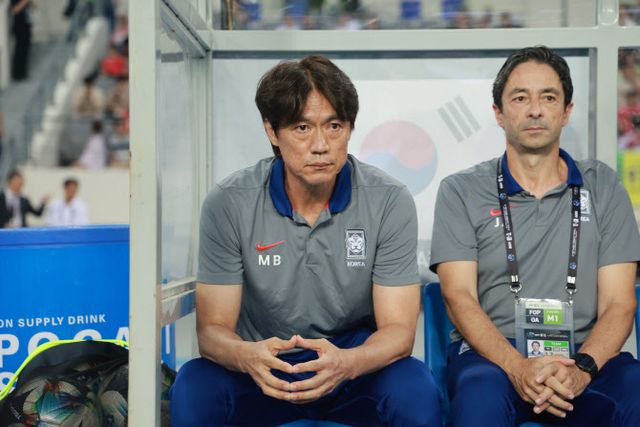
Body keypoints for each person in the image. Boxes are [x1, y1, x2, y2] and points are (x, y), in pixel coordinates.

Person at [170, 54, 441, 427]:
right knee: (194, 386)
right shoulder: (229, 202)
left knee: (416, 389)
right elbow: (212, 331)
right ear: (272, 132)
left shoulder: (388, 200)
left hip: (351, 365)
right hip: (263, 365)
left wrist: (348, 363)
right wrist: (247, 356)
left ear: (350, 129)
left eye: (334, 126)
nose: (321, 145)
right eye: (302, 128)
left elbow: (398, 332)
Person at [430, 46, 640, 427]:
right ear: (498, 113)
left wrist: (582, 369)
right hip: (494, 359)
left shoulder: (604, 187)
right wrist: (517, 366)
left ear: (566, 111)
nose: (535, 110)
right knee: (477, 399)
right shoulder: (461, 191)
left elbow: (619, 303)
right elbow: (458, 296)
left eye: (548, 97)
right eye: (520, 98)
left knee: (635, 389)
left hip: (586, 356)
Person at [10, 0, 33, 81]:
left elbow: (33, 8)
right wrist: (25, 2)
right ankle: (17, 74)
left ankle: (23, 73)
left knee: (25, 50)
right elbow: (14, 10)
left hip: (27, 25)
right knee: (19, 50)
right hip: (19, 26)